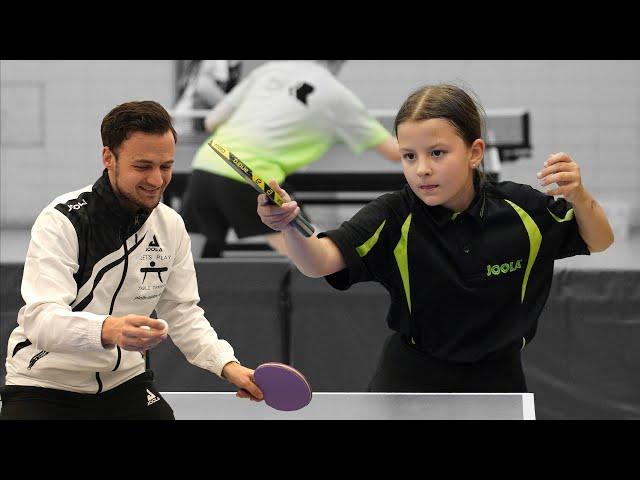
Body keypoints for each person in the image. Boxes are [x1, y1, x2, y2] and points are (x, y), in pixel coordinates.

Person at [256, 84, 614, 393]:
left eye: (437, 153)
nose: (422, 168)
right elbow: (320, 261)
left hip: (497, 377)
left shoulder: (522, 209)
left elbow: (599, 240)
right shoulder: (393, 215)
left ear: (474, 152)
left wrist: (579, 196)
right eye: (409, 156)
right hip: (410, 376)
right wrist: (290, 226)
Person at [0, 101, 263, 420]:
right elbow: (42, 320)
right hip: (44, 386)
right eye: (143, 166)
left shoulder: (170, 225)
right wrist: (108, 329)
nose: (157, 180)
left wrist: (227, 365)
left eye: (165, 166)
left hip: (125, 383)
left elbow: (181, 311)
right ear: (108, 158)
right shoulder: (63, 220)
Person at [180, 60, 401, 258]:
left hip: (208, 163)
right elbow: (396, 152)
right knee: (319, 257)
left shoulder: (269, 69)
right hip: (252, 176)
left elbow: (211, 121)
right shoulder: (337, 96)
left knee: (186, 267)